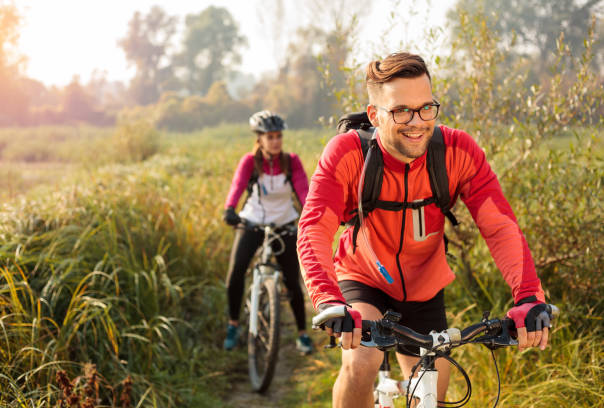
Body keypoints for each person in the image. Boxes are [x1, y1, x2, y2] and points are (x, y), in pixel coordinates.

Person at [297, 53, 551, 407]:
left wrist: (528, 297)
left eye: (426, 108)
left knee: (432, 388)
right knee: (361, 361)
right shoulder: (347, 153)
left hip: (424, 287)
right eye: (401, 110)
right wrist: (329, 299)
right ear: (374, 114)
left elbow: (500, 226)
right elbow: (314, 228)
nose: (417, 122)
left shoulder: (457, 151)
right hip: (363, 278)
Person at [222, 110, 313, 354]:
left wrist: (310, 213)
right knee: (236, 272)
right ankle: (233, 326)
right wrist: (230, 208)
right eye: (270, 137)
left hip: (284, 223)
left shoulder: (291, 161)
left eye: (278, 136)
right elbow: (237, 186)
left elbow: (304, 191)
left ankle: (302, 334)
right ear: (259, 139)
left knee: (292, 280)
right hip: (252, 221)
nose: (275, 141)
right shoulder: (250, 162)